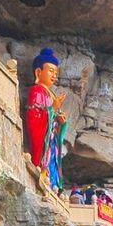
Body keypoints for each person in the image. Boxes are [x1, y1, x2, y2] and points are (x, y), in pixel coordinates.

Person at [25, 47, 67, 191]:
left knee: (53, 162)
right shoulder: (37, 91)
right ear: (38, 72)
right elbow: (34, 116)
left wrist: (61, 121)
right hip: (43, 137)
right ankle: (43, 176)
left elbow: (53, 117)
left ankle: (52, 185)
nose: (54, 75)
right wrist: (53, 109)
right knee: (45, 160)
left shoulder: (51, 94)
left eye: (56, 72)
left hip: (52, 138)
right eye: (50, 70)